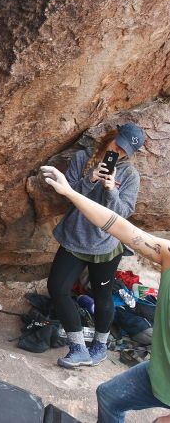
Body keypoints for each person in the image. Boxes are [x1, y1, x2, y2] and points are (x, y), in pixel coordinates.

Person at [40, 165, 169, 423]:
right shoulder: (167, 253)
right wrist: (70, 192)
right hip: (160, 372)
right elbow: (118, 226)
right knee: (108, 396)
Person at [47, 122, 145, 368]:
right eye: (117, 145)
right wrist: (91, 178)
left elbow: (124, 214)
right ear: (111, 136)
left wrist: (111, 190)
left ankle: (100, 345)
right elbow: (66, 194)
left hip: (105, 246)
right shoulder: (83, 158)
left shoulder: (129, 175)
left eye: (124, 152)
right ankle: (78, 347)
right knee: (57, 288)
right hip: (74, 238)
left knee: (102, 297)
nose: (118, 153)